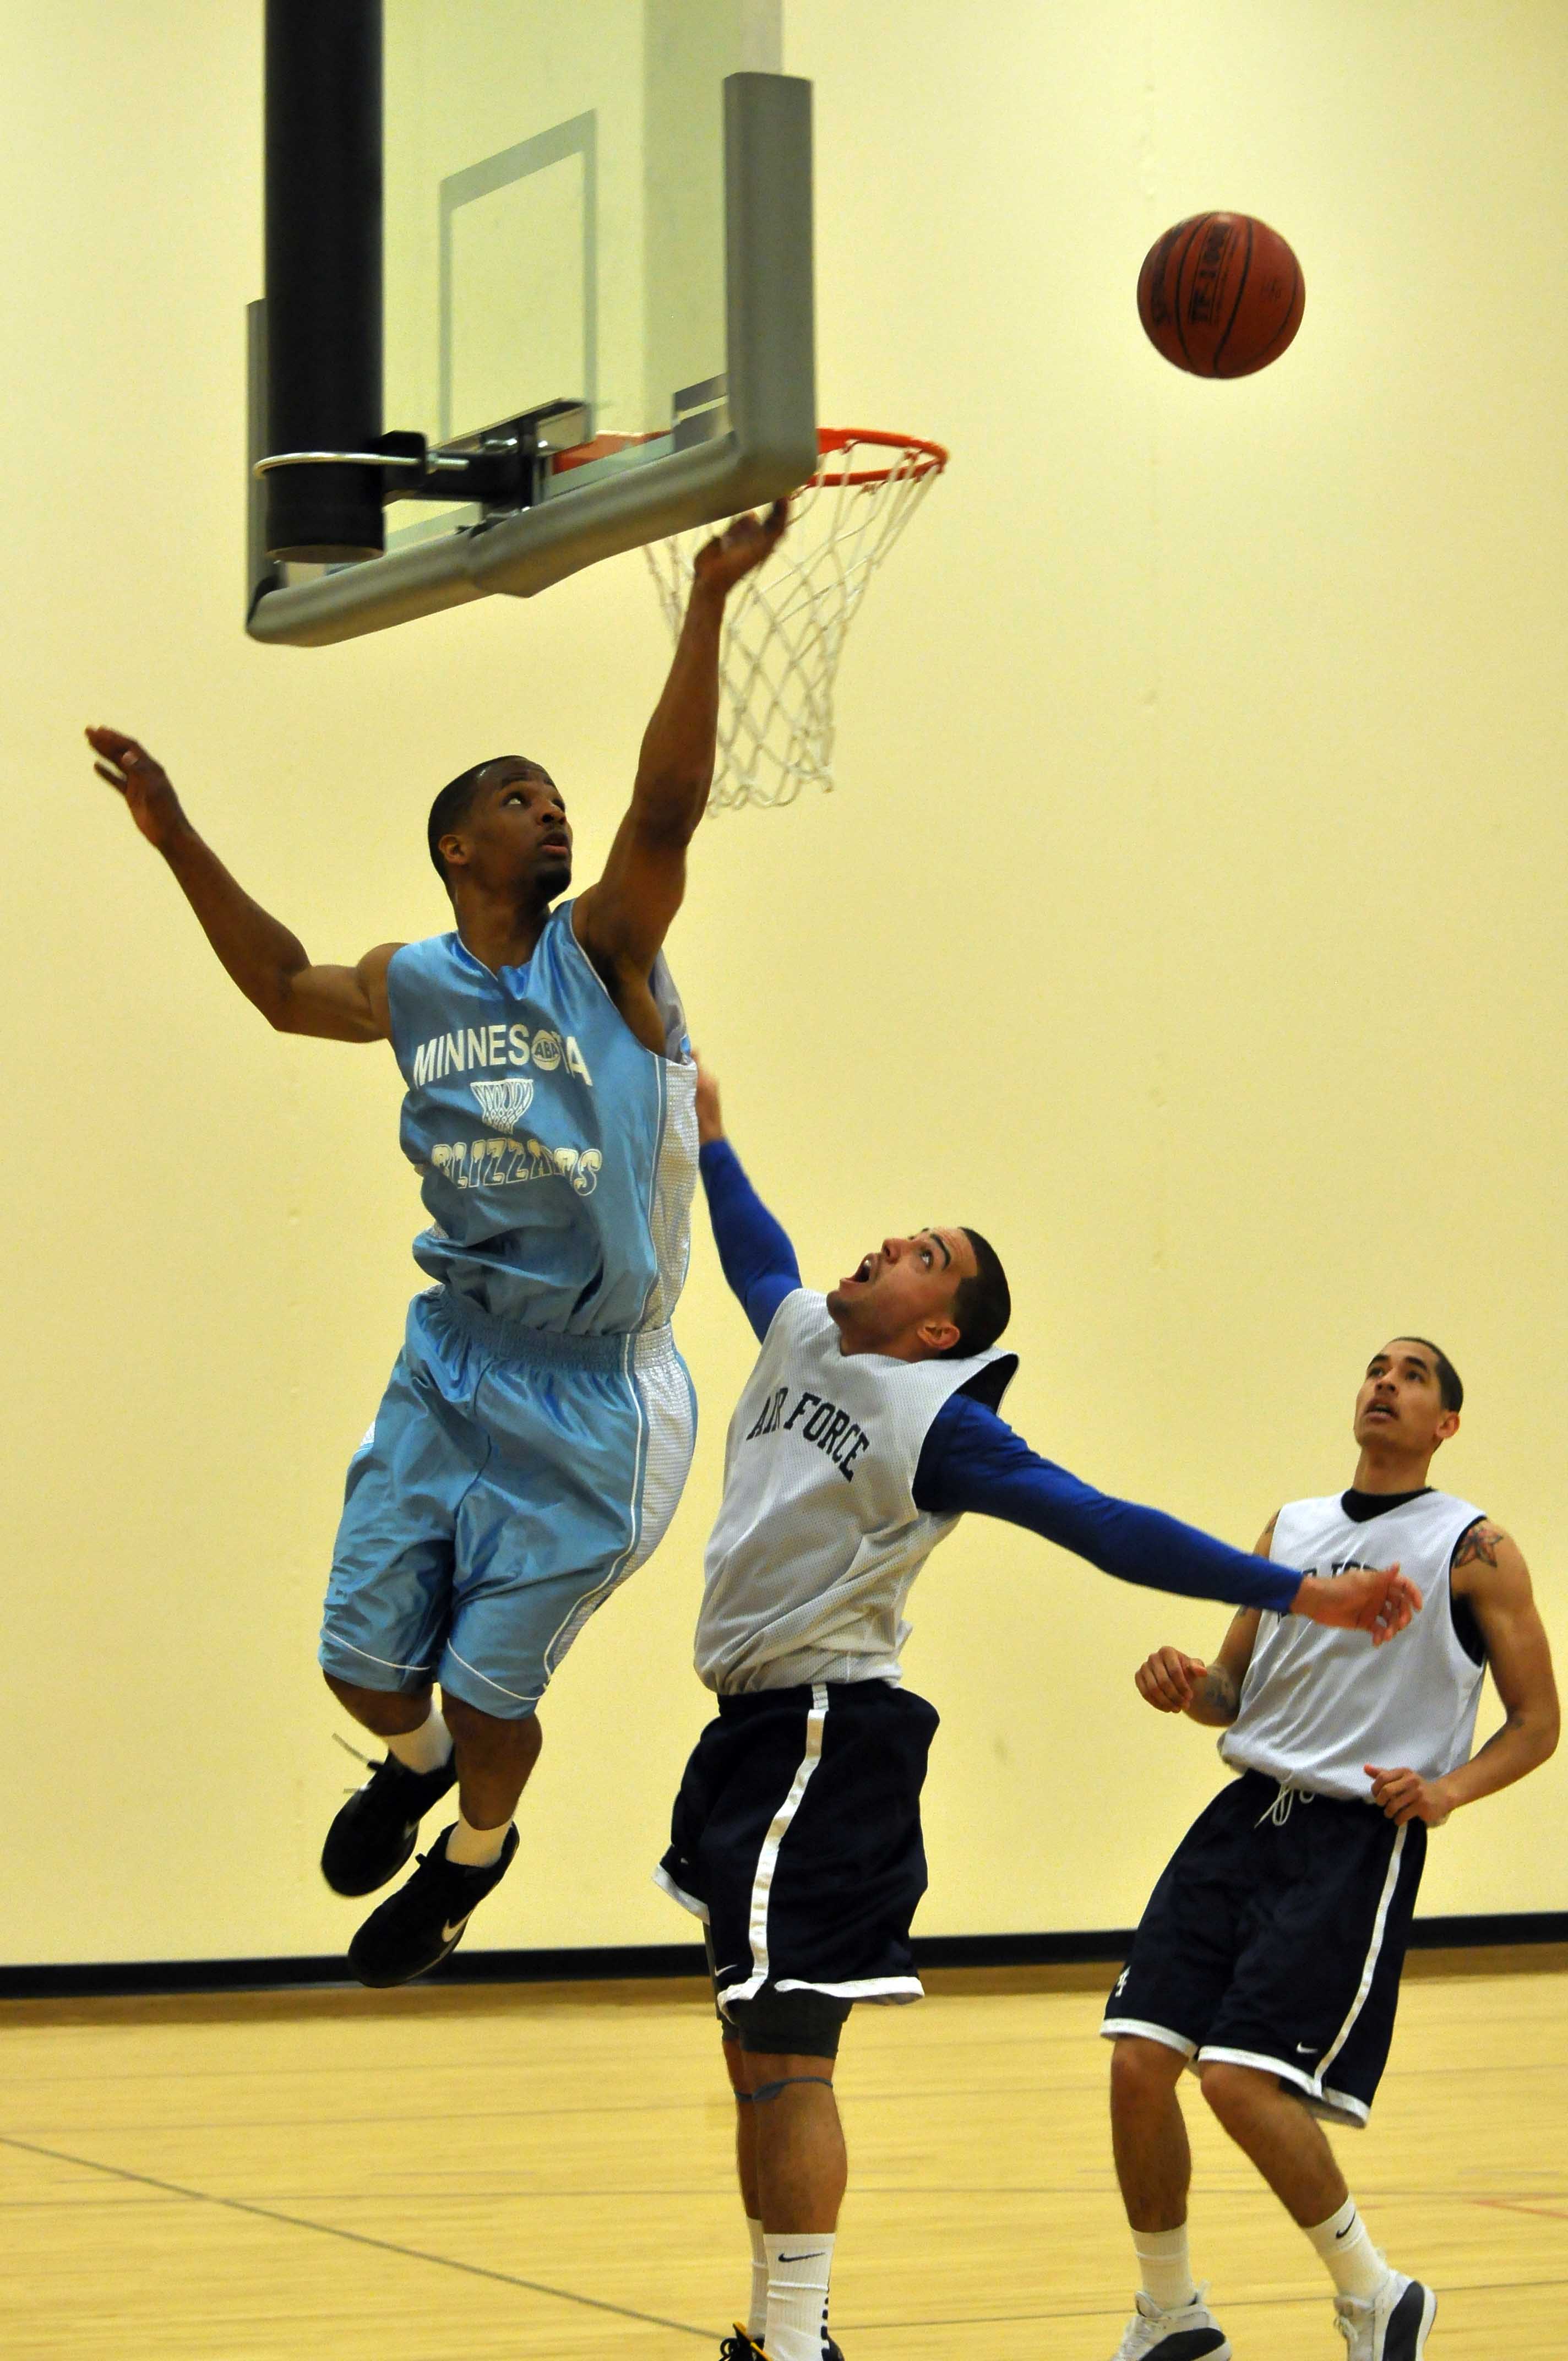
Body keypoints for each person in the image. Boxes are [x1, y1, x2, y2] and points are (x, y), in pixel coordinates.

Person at [84, 501, 787, 1988]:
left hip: (599, 1392)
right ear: (458, 845)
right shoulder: (414, 983)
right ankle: (401, 1773)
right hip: (453, 1359)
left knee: (486, 1705)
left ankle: (472, 1857)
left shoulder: (609, 956)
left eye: (556, 796)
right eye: (520, 798)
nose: (554, 809)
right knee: (356, 1665)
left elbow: (664, 809)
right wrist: (175, 836)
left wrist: (710, 602)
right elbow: (280, 984)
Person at [656, 1068, 1419, 2361]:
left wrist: (1302, 1592)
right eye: (904, 1232)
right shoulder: (797, 1330)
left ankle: (793, 2345)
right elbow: (746, 1233)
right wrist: (704, 1122)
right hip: (749, 1733)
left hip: (824, 1737)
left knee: (786, 2044)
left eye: (924, 1255)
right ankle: (792, 2328)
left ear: (938, 1329)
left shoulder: (934, 1422)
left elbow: (1107, 1527)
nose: (892, 1241)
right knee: (753, 2040)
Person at [1101, 1336, 1559, 2361]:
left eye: (1414, 1375)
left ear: (1445, 1425)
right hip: (1240, 1821)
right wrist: (1187, 1687)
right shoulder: (1292, 1527)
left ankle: (1376, 2292)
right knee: (1138, 2062)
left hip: (1351, 1839)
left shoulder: (1473, 1546)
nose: (1386, 1382)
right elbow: (1232, 1690)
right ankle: (1171, 2315)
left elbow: (1538, 1722)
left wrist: (1445, 1791)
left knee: (1236, 2080)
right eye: (1376, 1368)